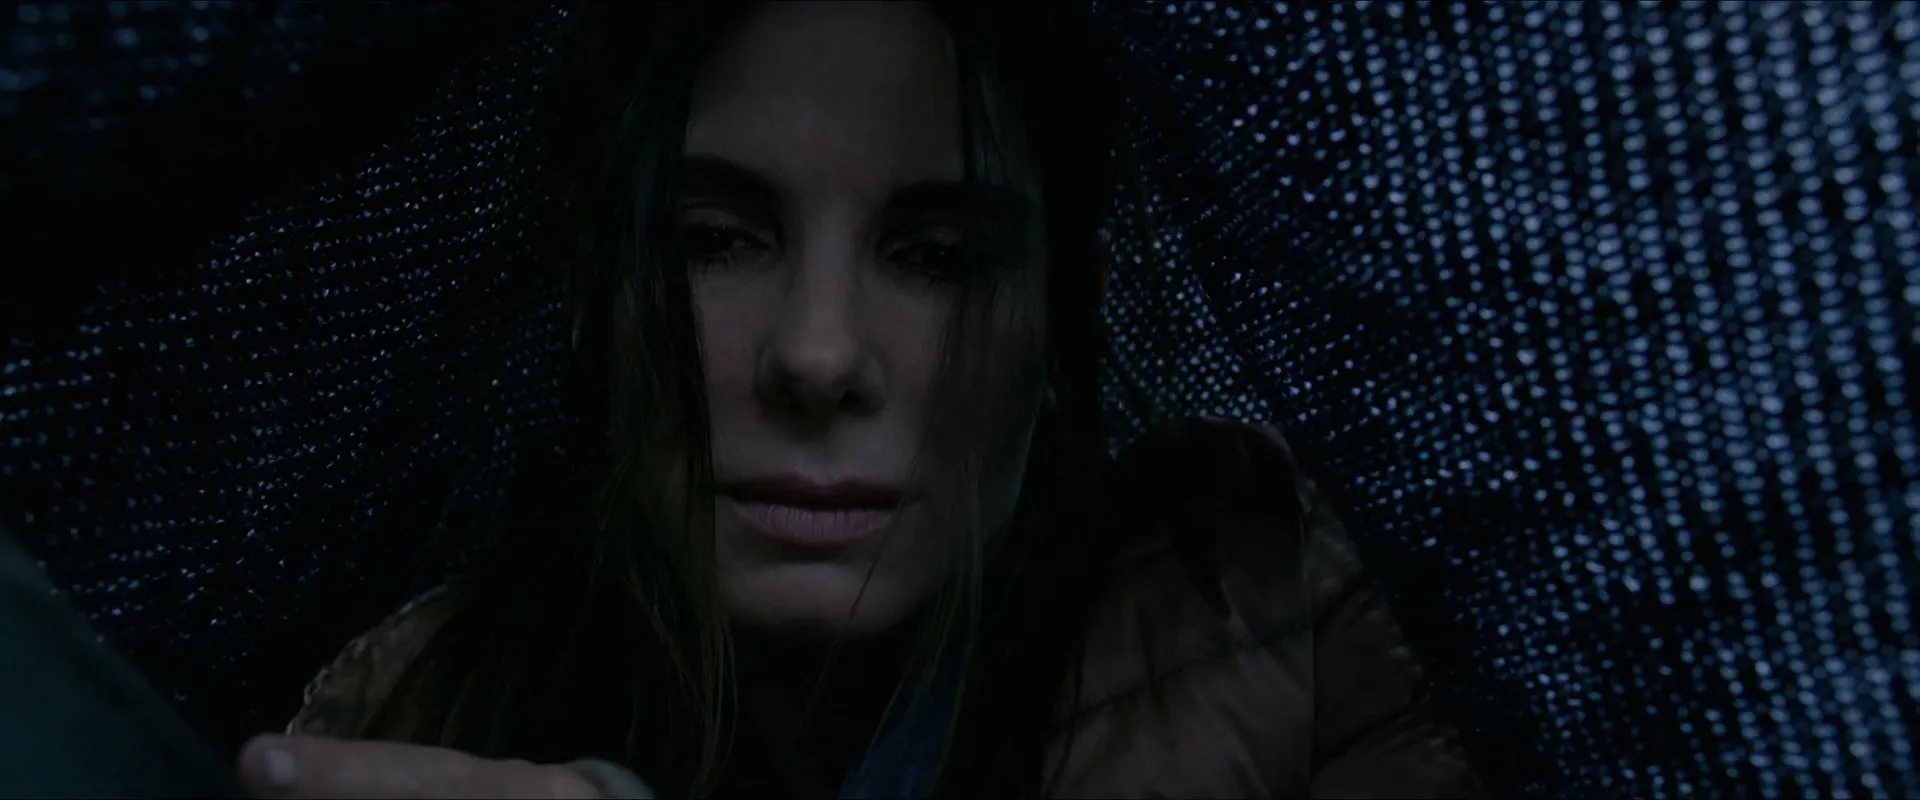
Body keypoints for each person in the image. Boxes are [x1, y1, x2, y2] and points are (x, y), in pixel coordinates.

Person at [233, 3, 1484, 797]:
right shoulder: (418, 696)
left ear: (1064, 314)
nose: (819, 356)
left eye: (937, 255)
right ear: (591, 298)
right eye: (715, 240)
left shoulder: (1287, 619)